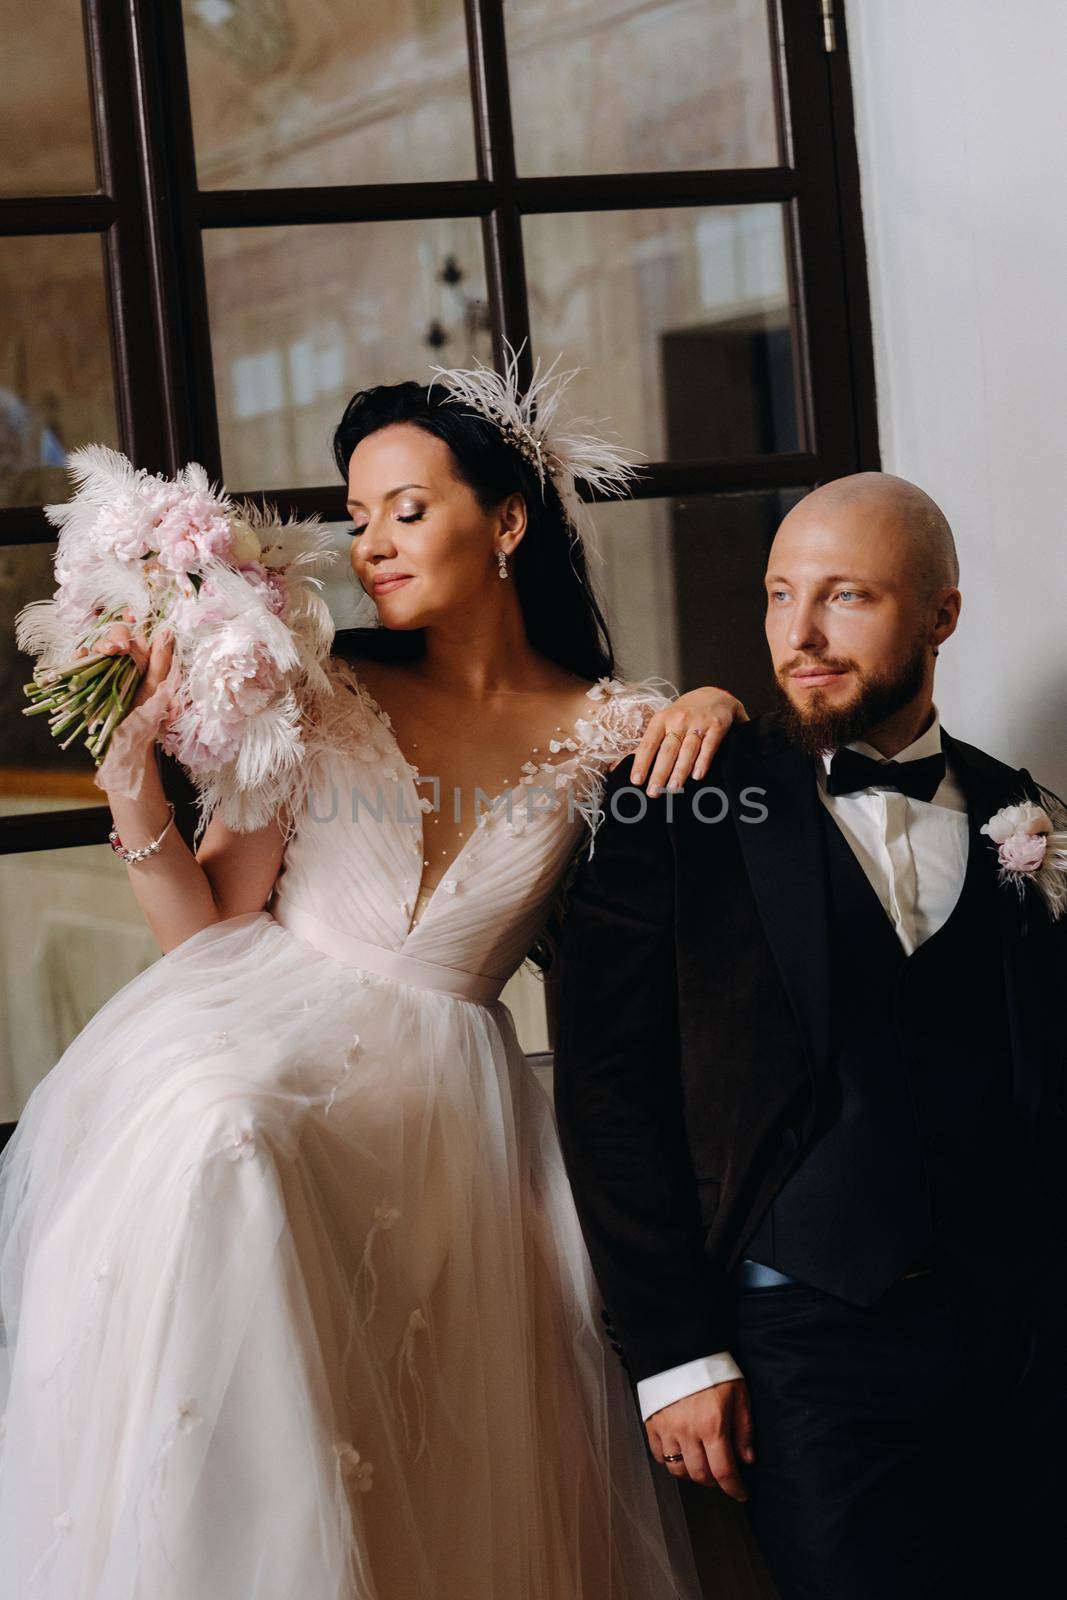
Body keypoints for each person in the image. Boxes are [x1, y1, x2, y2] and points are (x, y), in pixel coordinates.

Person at [0, 351, 749, 1599]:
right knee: (226, 1138)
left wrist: (724, 703)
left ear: (507, 520)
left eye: (407, 510)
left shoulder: (615, 727)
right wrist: (132, 783)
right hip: (264, 1044)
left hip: (450, 1125)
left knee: (432, 1486)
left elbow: (688, 864)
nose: (373, 545)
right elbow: (210, 929)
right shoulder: (316, 682)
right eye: (358, 519)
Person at [553, 471, 1067, 1599]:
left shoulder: (1015, 806)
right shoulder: (680, 802)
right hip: (804, 1340)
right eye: (780, 595)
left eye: (845, 597)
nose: (799, 633)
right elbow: (606, 1094)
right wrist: (674, 1356)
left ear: (939, 615)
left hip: (1022, 1339)